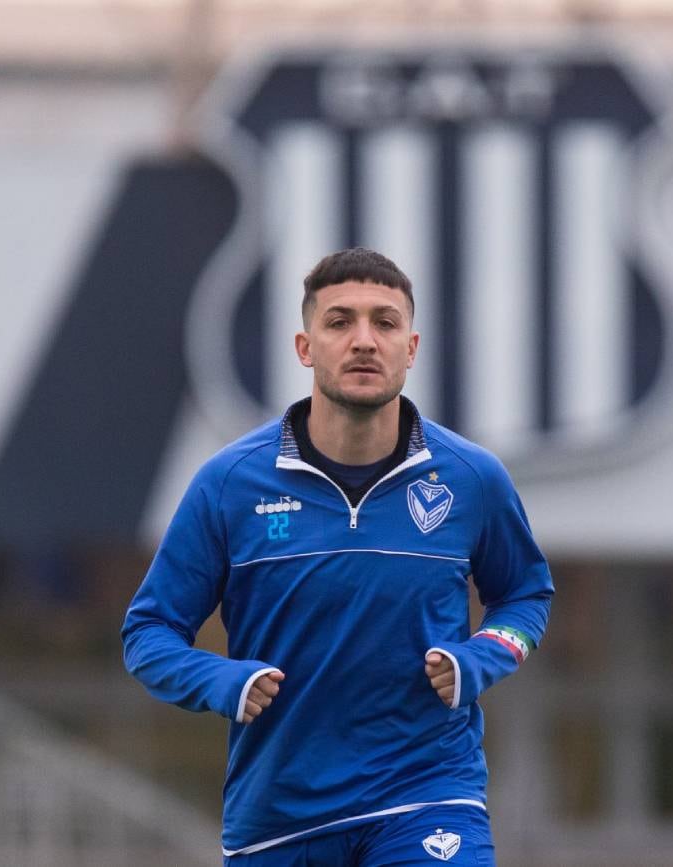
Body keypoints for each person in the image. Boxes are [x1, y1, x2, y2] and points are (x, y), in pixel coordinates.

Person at [123, 247, 554, 866]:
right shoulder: (229, 485)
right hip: (279, 817)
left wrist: (482, 656)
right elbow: (148, 634)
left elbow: (526, 596)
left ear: (411, 347)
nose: (364, 341)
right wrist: (221, 680)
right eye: (339, 321)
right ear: (305, 347)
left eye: (384, 322)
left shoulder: (471, 479)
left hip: (427, 796)